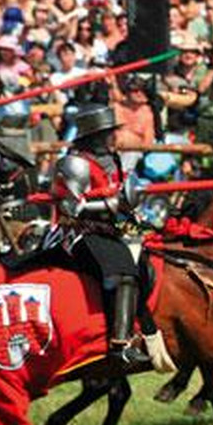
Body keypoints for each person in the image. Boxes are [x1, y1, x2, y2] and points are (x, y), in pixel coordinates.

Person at [48, 104, 148, 366]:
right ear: (94, 135)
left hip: (110, 229)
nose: (112, 137)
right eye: (107, 132)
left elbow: (118, 191)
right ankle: (120, 345)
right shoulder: (75, 164)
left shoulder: (112, 159)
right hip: (79, 233)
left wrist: (130, 210)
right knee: (124, 273)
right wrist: (114, 205)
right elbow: (71, 208)